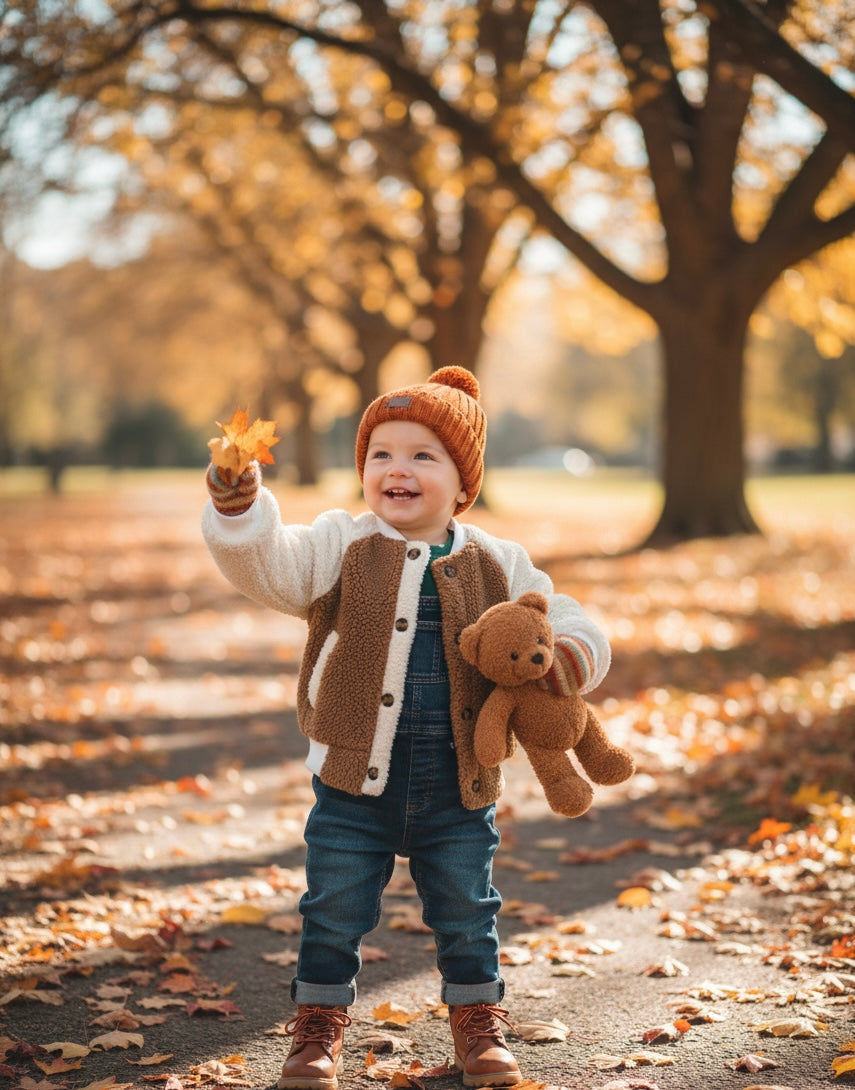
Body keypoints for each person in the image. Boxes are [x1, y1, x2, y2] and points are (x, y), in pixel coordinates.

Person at [202, 367, 610, 1090]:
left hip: (459, 783)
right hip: (350, 782)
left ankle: (477, 1020)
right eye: (381, 454)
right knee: (332, 907)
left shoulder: (497, 561)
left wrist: (572, 657)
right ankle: (318, 1025)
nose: (398, 469)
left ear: (463, 483)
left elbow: (566, 617)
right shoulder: (339, 544)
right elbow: (270, 567)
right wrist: (240, 511)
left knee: (467, 908)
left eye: (423, 455)